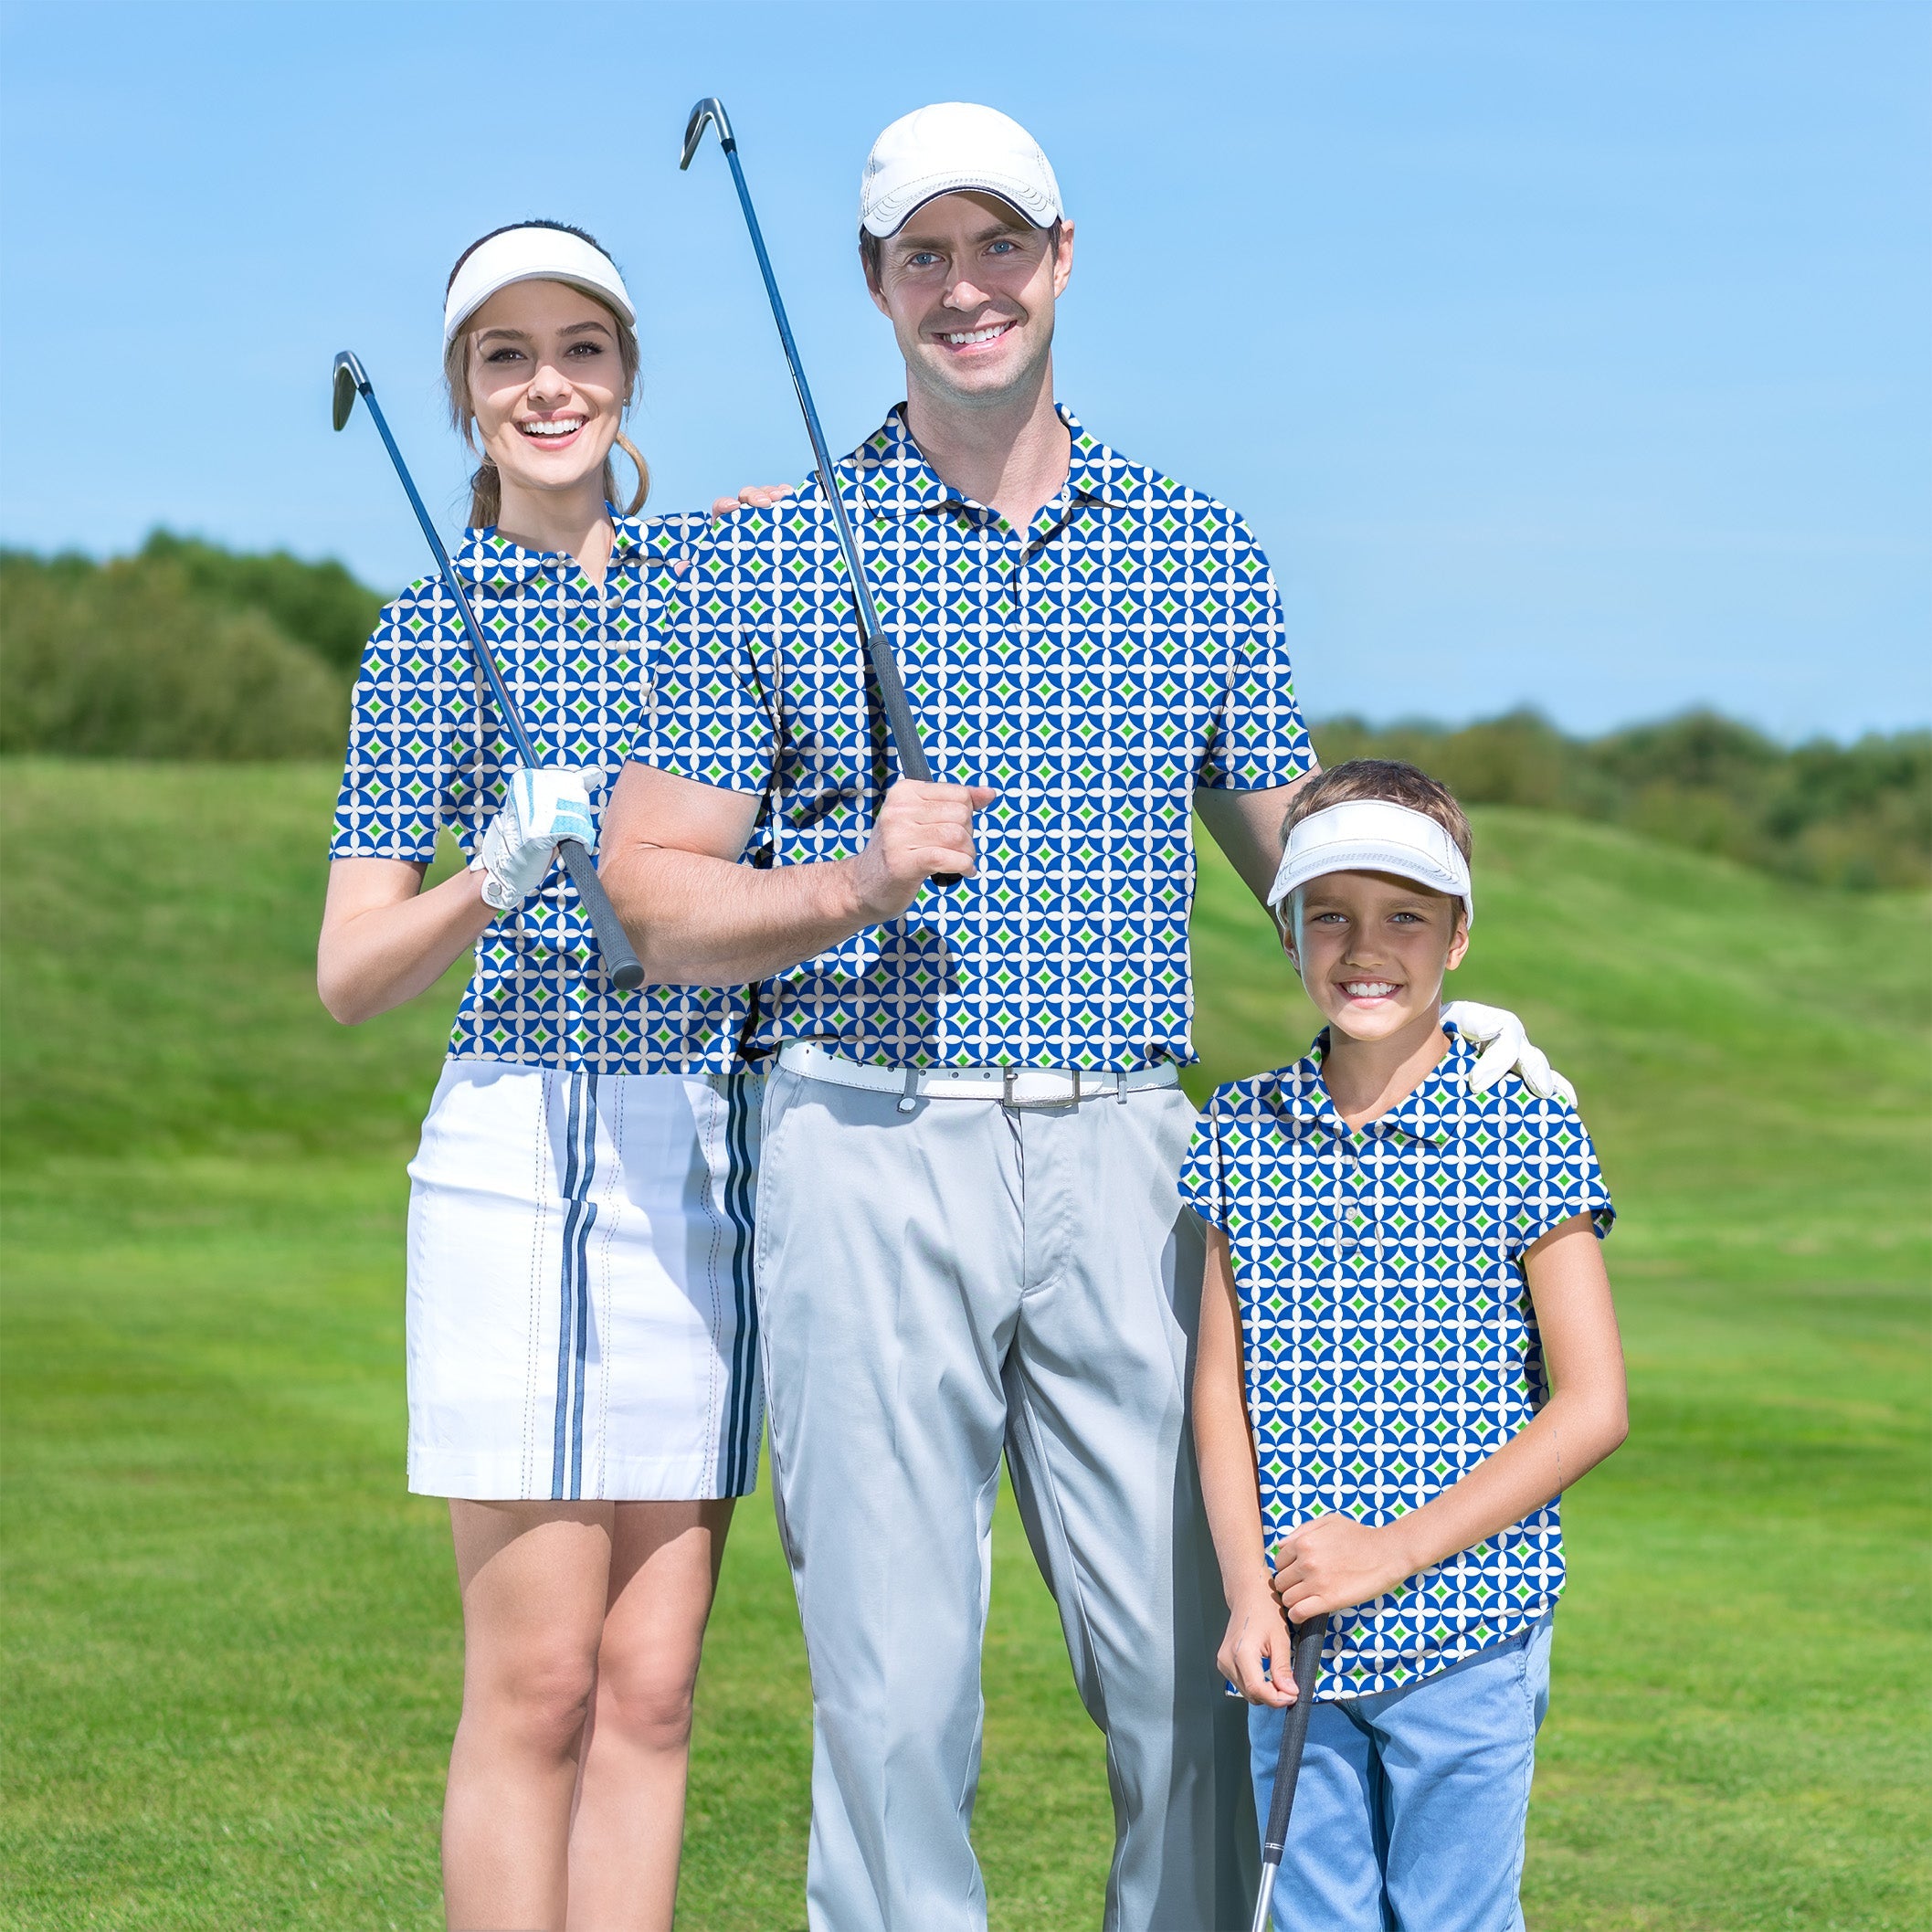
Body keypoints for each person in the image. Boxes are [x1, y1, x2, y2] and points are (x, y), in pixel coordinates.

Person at [599, 106, 1565, 1931]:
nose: (967, 288)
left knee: (1200, 1658)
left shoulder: (1200, 556)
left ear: (1060, 257)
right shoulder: (772, 553)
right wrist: (842, 885)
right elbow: (652, 894)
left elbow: (1301, 858)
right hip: (861, 1134)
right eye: (923, 255)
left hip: (1134, 1152)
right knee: (894, 1696)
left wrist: (1446, 984)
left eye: (999, 246)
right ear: (876, 285)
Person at [318, 221, 781, 1932]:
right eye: (505, 356)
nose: (548, 385)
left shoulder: (723, 596)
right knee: (537, 1687)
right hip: (516, 1152)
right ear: (463, 394)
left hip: (697, 1162)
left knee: (653, 1687)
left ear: (627, 373)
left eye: (579, 348)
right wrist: (491, 873)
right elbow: (352, 972)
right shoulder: (427, 636)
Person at [1185, 759, 1630, 1931]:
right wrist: (1245, 1595)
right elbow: (1218, 1394)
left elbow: (1593, 1405)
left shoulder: (1524, 1122)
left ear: (1457, 938)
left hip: (1469, 1625)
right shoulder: (1240, 1127)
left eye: (1404, 917)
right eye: (1328, 913)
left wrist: (1391, 1553)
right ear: (1286, 928)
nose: (1363, 946)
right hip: (1295, 1634)